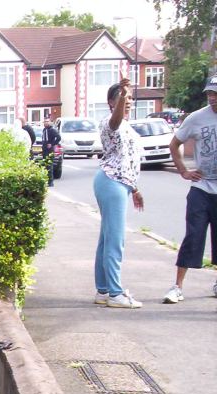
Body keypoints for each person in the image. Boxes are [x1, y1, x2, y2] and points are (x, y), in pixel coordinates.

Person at [162, 74, 217, 304]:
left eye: (216, 94)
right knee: (193, 236)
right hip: (202, 187)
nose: (213, 98)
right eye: (210, 94)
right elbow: (174, 143)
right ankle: (177, 286)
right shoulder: (196, 118)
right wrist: (184, 170)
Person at [93, 78, 144, 309]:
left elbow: (127, 160)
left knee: (106, 239)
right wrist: (122, 97)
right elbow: (115, 122)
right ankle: (115, 293)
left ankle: (103, 290)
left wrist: (134, 188)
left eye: (131, 97)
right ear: (111, 102)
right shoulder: (111, 122)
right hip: (111, 182)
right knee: (115, 239)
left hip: (119, 183)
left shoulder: (127, 126)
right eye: (123, 97)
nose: (129, 101)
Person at [41, 118, 61, 187]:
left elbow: (58, 137)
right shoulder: (44, 130)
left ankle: (50, 182)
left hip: (49, 150)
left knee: (49, 166)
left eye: (47, 122)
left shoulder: (52, 130)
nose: (46, 123)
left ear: (50, 122)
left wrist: (52, 144)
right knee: (45, 166)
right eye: (45, 122)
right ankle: (46, 181)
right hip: (44, 150)